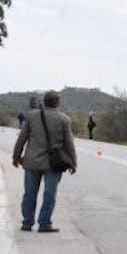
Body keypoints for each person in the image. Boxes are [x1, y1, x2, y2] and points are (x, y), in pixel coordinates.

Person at [11, 90, 78, 232]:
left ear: (45, 101)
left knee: (29, 193)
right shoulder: (64, 119)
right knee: (49, 193)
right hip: (53, 163)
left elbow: (22, 138)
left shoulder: (31, 116)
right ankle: (44, 223)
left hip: (32, 161)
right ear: (58, 102)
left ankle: (27, 223)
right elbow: (69, 144)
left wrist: (16, 156)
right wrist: (73, 162)